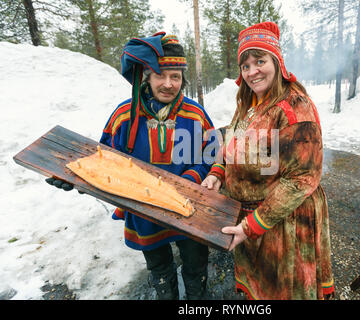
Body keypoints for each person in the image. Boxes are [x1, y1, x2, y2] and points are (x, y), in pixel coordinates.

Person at [46, 32, 218, 300]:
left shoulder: (194, 114)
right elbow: (103, 162)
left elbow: (212, 152)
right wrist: (74, 178)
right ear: (146, 76)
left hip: (189, 206)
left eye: (176, 76)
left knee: (195, 265)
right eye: (161, 74)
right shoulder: (124, 115)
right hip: (143, 210)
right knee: (160, 267)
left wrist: (191, 179)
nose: (169, 83)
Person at [201, 22, 335, 300]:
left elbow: (302, 179)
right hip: (252, 217)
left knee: (283, 290)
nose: (252, 71)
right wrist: (217, 173)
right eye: (245, 65)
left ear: (276, 61)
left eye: (259, 61)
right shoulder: (248, 103)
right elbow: (232, 143)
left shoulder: (295, 107)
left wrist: (251, 225)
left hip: (285, 224)